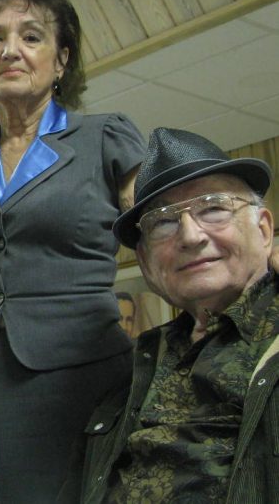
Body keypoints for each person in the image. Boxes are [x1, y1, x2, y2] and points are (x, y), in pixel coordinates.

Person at [0, 0, 146, 502]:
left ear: (61, 59)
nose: (10, 50)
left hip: (89, 376)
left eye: (31, 36)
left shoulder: (104, 140)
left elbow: (164, 243)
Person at [69, 127, 278, 502]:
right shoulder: (136, 366)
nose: (190, 235)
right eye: (163, 221)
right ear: (146, 262)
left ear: (263, 230)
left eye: (214, 208)